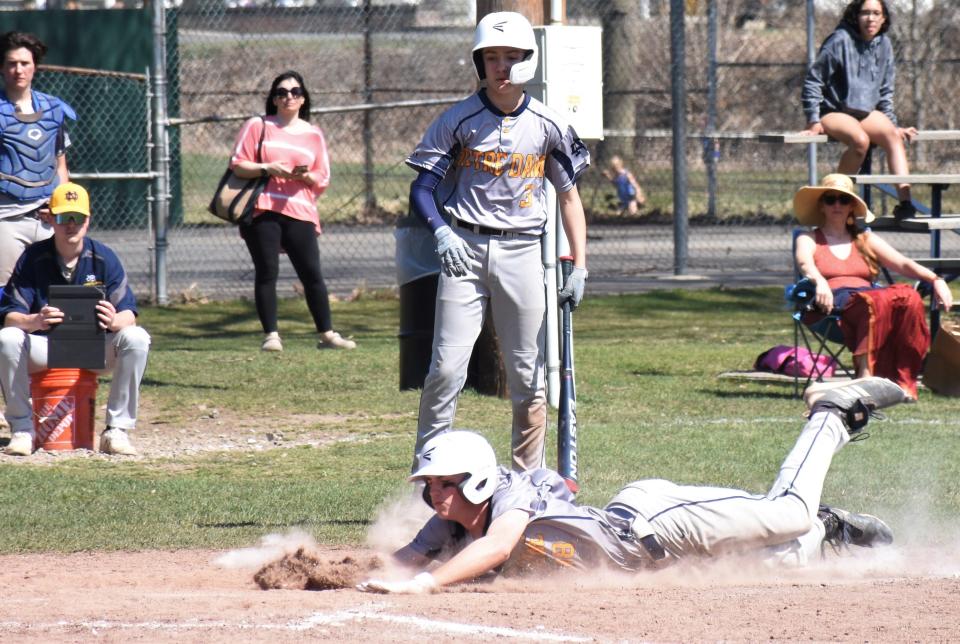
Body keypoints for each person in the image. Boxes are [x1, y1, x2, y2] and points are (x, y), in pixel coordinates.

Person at [355, 377, 906, 594]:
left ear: (477, 479)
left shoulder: (509, 497)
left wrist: (427, 584)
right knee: (786, 561)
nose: (436, 497)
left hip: (659, 520)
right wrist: (332, 574)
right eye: (430, 488)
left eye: (446, 485)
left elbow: (499, 545)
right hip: (655, 559)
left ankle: (831, 413)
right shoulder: (447, 521)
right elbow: (401, 560)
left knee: (786, 512)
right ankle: (829, 524)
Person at [407, 12, 590, 472]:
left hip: (524, 252)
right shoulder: (458, 120)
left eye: (511, 57)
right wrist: (443, 232)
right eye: (491, 57)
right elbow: (422, 189)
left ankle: (527, 483)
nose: (501, 66)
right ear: (478, 62)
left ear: (529, 61)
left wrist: (580, 265)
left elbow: (569, 197)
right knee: (445, 372)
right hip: (463, 252)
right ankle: (428, 479)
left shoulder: (549, 124)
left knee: (528, 378)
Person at [0, 182, 150, 456]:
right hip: (46, 347)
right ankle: (22, 429)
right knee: (7, 339)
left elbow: (129, 314)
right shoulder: (33, 258)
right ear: (49, 219)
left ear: (88, 219)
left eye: (77, 217)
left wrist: (115, 321)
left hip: (94, 347)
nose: (71, 224)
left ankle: (116, 430)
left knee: (136, 337)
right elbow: (10, 318)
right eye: (63, 217)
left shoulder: (104, 258)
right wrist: (34, 320)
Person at [793, 173, 952, 399]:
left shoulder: (864, 239)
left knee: (909, 298)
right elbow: (804, 262)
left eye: (843, 199)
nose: (837, 204)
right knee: (873, 302)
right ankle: (865, 378)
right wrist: (819, 282)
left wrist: (936, 280)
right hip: (832, 305)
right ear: (822, 205)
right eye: (830, 199)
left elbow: (903, 263)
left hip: (870, 299)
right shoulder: (808, 238)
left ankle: (903, 381)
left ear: (851, 207)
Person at [229, 70, 355, 353]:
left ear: (303, 99)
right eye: (282, 92)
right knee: (267, 271)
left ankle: (327, 334)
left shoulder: (313, 134)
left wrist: (306, 177)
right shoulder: (257, 125)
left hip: (300, 209)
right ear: (273, 99)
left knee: (312, 273)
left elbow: (322, 177)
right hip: (262, 208)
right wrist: (267, 168)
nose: (289, 97)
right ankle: (271, 335)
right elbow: (238, 164)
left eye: (295, 92)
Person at [800, 0, 918, 219]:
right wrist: (813, 119)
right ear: (855, 16)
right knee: (860, 141)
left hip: (865, 112)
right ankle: (836, 198)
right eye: (865, 13)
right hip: (834, 110)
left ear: (884, 19)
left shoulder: (885, 45)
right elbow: (813, 81)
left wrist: (892, 123)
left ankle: (905, 203)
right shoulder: (839, 40)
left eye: (876, 13)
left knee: (893, 136)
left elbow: (885, 90)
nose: (870, 18)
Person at [0, 31, 76, 285]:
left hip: (47, 217)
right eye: (12, 63)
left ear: (35, 66)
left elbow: (60, 165)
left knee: (55, 291)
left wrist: (64, 211)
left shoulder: (53, 109)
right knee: (5, 293)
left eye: (25, 63)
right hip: (6, 218)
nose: (18, 70)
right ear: (2, 67)